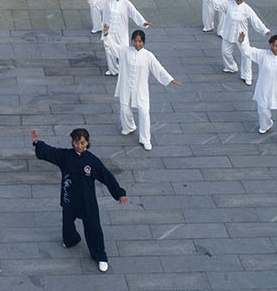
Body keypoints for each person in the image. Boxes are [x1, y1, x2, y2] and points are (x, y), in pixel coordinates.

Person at [30, 127, 128, 272]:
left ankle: (100, 255)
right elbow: (50, 152)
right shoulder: (66, 156)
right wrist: (37, 143)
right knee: (68, 223)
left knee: (93, 227)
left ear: (87, 143)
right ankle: (71, 240)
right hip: (69, 197)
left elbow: (106, 176)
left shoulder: (92, 161)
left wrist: (119, 193)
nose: (79, 146)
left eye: (82, 143)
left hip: (87, 200)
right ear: (73, 142)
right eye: (77, 142)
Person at [114, 30, 179, 150]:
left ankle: (145, 139)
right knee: (124, 107)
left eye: (140, 41)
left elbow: (158, 68)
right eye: (135, 41)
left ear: (143, 42)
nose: (137, 44)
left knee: (144, 112)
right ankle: (129, 126)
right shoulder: (125, 51)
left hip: (140, 89)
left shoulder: (148, 55)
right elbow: (113, 48)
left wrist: (170, 79)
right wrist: (106, 35)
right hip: (126, 86)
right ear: (132, 41)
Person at [217, 0, 270, 85]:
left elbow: (255, 20)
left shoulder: (247, 9)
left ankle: (247, 76)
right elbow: (217, 6)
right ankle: (231, 67)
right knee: (225, 52)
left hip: (242, 36)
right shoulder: (228, 5)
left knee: (246, 54)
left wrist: (264, 30)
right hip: (228, 33)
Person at [98, 0, 149, 76]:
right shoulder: (107, 1)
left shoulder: (126, 3)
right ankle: (113, 69)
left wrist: (143, 22)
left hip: (121, 32)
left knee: (124, 51)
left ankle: (124, 68)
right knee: (109, 49)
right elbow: (96, 3)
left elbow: (134, 13)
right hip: (109, 31)